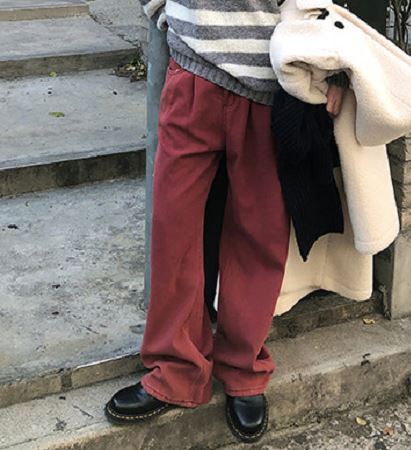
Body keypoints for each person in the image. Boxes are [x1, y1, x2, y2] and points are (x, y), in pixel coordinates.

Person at [105, 0, 348, 443]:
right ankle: (177, 369)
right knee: (172, 228)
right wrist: (162, 11)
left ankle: (243, 367)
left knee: (259, 233)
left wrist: (330, 67)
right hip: (191, 69)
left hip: (272, 83)